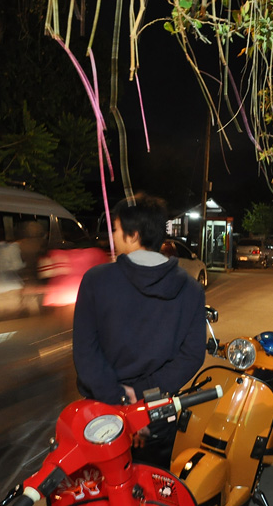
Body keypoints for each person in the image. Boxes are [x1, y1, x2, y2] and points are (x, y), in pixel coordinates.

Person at [73, 193, 207, 469]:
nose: (113, 236)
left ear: (133, 235)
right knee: (152, 483)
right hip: (156, 414)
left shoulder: (96, 281)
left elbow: (86, 353)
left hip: (102, 416)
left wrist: (121, 398)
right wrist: (143, 394)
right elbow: (192, 355)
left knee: (101, 486)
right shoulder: (191, 289)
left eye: (116, 229)